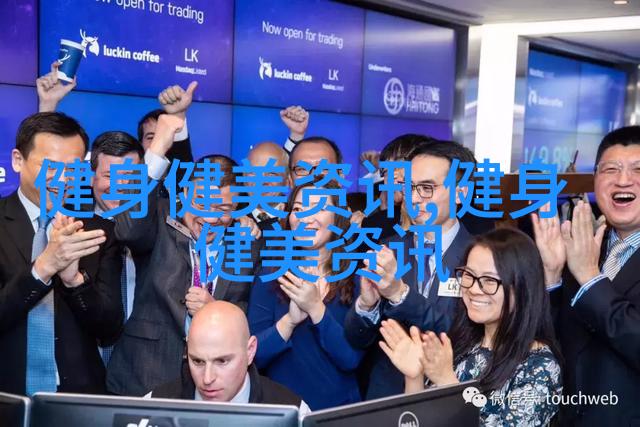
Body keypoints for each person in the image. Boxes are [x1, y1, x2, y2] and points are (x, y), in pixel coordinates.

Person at [106, 115, 263, 396]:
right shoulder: (160, 218)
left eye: (223, 208)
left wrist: (216, 309)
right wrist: (157, 148)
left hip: (213, 385)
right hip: (144, 374)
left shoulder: (246, 242)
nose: (211, 218)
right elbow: (128, 228)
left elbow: (249, 312)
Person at [381, 228, 562, 426]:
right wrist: (414, 378)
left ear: (521, 287)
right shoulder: (460, 343)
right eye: (468, 275)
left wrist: (447, 381)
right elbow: (417, 422)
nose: (474, 289)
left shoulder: (540, 366)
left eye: (489, 280)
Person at [0, 112, 123, 395]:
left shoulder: (97, 231)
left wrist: (74, 281)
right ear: (18, 160)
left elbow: (109, 329)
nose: (62, 179)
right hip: (7, 395)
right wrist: (42, 269)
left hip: (78, 396)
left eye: (72, 169)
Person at [344, 140, 475, 399]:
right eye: (409, 187)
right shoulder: (387, 251)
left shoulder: (480, 258)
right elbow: (356, 340)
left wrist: (399, 294)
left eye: (427, 188)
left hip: (451, 396)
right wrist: (366, 306)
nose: (414, 199)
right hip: (387, 398)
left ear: (461, 193)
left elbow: (467, 334)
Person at [532, 126, 640, 425]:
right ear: (594, 179)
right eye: (611, 169)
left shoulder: (585, 261)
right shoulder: (584, 244)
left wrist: (591, 279)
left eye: (637, 169)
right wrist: (552, 276)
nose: (623, 180)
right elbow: (552, 342)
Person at [248, 181, 363, 410]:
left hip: (338, 412)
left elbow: (351, 359)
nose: (305, 217)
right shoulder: (270, 275)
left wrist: (316, 309)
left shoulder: (356, 279)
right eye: (298, 209)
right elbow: (253, 356)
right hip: (282, 410)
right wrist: (289, 322)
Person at [150, 301, 310, 414]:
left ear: (250, 351)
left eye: (222, 361)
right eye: (197, 361)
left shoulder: (292, 412)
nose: (207, 379)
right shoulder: (153, 407)